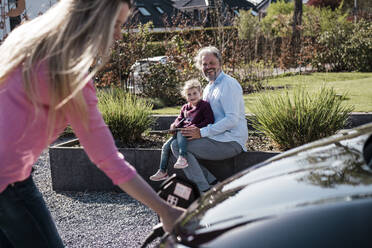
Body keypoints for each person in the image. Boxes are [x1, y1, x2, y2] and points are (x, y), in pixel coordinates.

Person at [0, 0, 183, 247]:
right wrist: (165, 210)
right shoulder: (68, 75)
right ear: (93, 18)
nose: (118, 34)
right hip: (9, 184)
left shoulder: (24, 43)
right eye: (115, 25)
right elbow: (108, 159)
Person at [170, 46, 248, 192]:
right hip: (216, 137)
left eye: (212, 63)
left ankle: (204, 190)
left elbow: (232, 120)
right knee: (176, 143)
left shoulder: (229, 84)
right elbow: (197, 115)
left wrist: (201, 132)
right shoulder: (208, 88)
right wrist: (179, 125)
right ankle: (212, 183)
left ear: (220, 62)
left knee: (178, 146)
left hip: (231, 141)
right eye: (204, 64)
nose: (208, 67)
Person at [150, 79, 214, 181]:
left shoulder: (204, 106)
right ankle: (163, 171)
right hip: (181, 132)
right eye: (189, 94)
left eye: (194, 93)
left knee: (181, 131)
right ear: (185, 96)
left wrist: (197, 127)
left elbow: (209, 120)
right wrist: (174, 125)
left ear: (200, 93)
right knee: (166, 146)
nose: (192, 96)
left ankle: (182, 158)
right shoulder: (185, 107)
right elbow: (179, 119)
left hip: (193, 133)